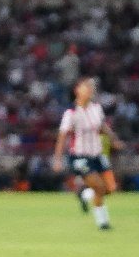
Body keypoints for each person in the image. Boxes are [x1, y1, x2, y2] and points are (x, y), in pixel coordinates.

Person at [52, 77, 125, 230]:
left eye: (91, 88)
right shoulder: (71, 113)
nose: (90, 90)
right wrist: (57, 159)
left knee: (110, 189)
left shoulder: (96, 108)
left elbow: (103, 126)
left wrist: (114, 140)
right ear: (77, 90)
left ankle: (84, 195)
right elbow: (62, 137)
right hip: (80, 156)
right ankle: (103, 223)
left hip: (97, 154)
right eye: (86, 87)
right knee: (99, 187)